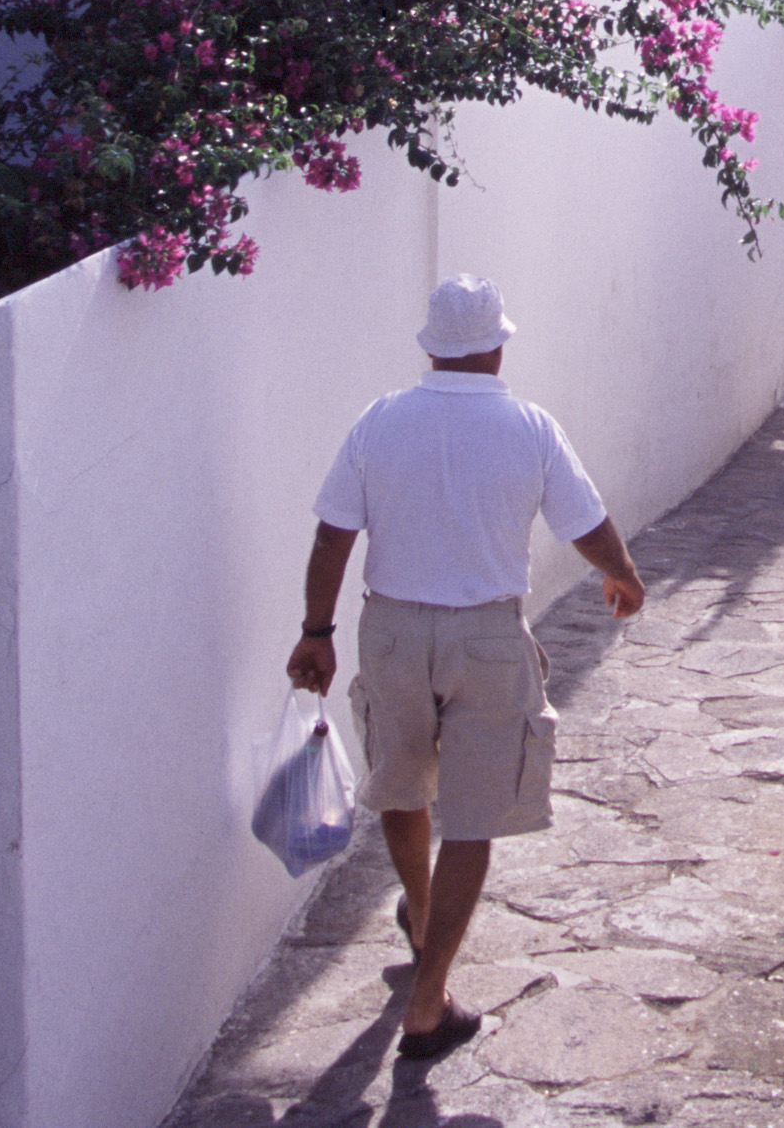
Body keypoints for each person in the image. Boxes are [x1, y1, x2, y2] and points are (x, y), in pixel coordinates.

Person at [287, 273, 647, 1068]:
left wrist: (316, 632)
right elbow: (585, 523)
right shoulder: (529, 426)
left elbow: (331, 537)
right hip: (486, 635)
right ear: (496, 346)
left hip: (390, 630)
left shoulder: (379, 420)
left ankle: (421, 920)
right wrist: (622, 575)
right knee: (473, 815)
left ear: (430, 346)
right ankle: (428, 1000)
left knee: (401, 784)